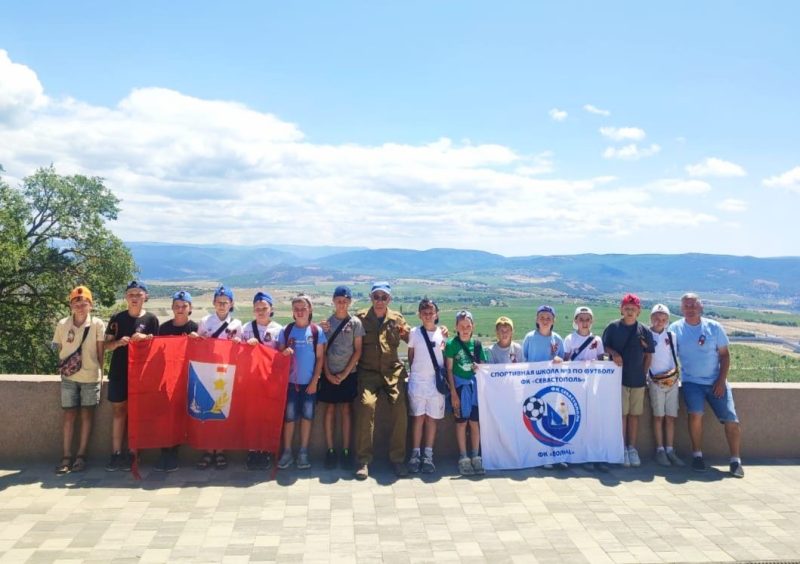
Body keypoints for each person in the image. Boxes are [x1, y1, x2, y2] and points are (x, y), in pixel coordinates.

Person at [669, 293, 744, 478]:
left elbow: (725, 355)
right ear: (681, 308)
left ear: (701, 307)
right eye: (686, 306)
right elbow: (667, 355)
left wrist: (721, 380)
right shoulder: (675, 329)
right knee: (695, 414)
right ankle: (697, 456)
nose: (690, 308)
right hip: (691, 382)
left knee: (732, 420)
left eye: (693, 305)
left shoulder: (714, 327)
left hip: (716, 382)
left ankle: (735, 461)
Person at [353, 282, 411, 480]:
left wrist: (439, 330)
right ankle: (363, 460)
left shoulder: (396, 319)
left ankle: (397, 459)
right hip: (368, 373)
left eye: (383, 297)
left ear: (389, 299)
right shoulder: (361, 318)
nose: (379, 301)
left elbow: (413, 338)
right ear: (371, 298)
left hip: (392, 373)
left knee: (400, 409)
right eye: (376, 297)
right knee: (366, 406)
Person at [104, 280, 160, 472]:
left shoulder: (151, 320)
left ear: (146, 297)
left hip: (141, 374)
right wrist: (118, 343)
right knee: (119, 412)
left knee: (137, 413)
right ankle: (116, 453)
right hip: (119, 371)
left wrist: (146, 338)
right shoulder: (116, 318)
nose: (134, 298)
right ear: (125, 297)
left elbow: (158, 347)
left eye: (138, 294)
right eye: (131, 294)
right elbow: (106, 345)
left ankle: (134, 453)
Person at [52, 286, 106, 474]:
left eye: (84, 303)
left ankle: (81, 456)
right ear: (71, 305)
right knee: (68, 415)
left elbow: (101, 352)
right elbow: (60, 349)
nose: (80, 307)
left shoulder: (97, 324)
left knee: (87, 416)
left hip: (90, 377)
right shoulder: (62, 324)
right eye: (76, 303)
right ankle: (66, 456)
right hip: (69, 377)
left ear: (91, 305)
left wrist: (101, 374)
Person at [192, 285, 242, 470]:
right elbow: (198, 344)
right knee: (206, 412)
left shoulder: (237, 324)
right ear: (214, 303)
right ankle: (207, 450)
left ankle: (220, 450)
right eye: (219, 302)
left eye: (225, 302)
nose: (222, 305)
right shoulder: (205, 321)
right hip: (207, 371)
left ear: (231, 304)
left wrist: (239, 343)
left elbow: (241, 349)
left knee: (221, 411)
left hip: (226, 372)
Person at [602, 293, 655, 468]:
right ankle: (622, 448)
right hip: (618, 380)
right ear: (621, 310)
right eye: (627, 308)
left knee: (634, 416)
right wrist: (614, 353)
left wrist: (643, 374)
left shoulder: (644, 331)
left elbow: (648, 355)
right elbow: (605, 346)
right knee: (622, 415)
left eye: (633, 309)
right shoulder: (613, 327)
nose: (630, 311)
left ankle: (632, 448)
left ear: (639, 311)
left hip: (638, 381)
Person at [277, 295, 327, 470]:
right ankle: (287, 452)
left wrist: (315, 381)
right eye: (296, 309)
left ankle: (303, 452)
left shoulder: (316, 331)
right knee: (289, 418)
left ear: (310, 309)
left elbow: (320, 358)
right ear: (292, 311)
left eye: (303, 308)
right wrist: (284, 353)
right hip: (290, 384)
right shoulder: (286, 330)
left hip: (309, 385)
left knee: (307, 417)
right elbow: (279, 356)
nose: (299, 312)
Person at [153, 290, 198, 472]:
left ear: (190, 308)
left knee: (180, 417)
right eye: (177, 306)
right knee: (165, 417)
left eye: (184, 306)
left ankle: (174, 452)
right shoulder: (163, 328)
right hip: (167, 378)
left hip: (187, 379)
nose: (180, 309)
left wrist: (198, 340)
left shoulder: (195, 328)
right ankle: (165, 451)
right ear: (172, 308)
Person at [319, 286, 363, 470]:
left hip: (349, 374)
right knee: (329, 410)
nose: (342, 304)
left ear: (350, 302)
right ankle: (330, 450)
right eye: (339, 300)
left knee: (346, 410)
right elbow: (322, 352)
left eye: (345, 301)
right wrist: (328, 373)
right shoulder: (326, 324)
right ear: (333, 301)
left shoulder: (355, 323)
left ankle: (345, 450)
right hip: (329, 372)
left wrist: (345, 373)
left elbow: (358, 350)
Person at [242, 291, 283, 471]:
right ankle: (252, 450)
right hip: (251, 381)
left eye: (264, 308)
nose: (260, 311)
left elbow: (280, 355)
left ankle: (266, 450)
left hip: (270, 382)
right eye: (257, 308)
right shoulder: (246, 329)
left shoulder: (279, 330)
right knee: (252, 417)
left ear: (271, 309)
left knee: (268, 417)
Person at [563, 306, 608, 472]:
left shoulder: (597, 340)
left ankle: (595, 455)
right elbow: (566, 361)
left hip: (593, 387)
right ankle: (581, 455)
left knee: (593, 422)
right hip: (575, 387)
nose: (584, 322)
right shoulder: (570, 339)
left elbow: (601, 361)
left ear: (592, 321)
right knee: (579, 421)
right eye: (581, 319)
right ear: (575, 321)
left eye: (587, 319)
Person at [445, 310, 489, 476]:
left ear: (473, 327)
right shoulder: (452, 344)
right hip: (459, 389)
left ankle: (475, 456)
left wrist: (480, 367)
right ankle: (463, 457)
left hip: (474, 389)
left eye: (468, 326)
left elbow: (483, 367)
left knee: (474, 423)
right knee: (461, 423)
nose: (465, 329)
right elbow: (449, 370)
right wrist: (453, 393)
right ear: (456, 327)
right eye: (462, 326)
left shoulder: (477, 345)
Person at [522, 305, 566, 468]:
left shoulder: (557, 339)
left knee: (554, 421)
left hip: (552, 386)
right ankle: (542, 456)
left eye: (548, 318)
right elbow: (523, 360)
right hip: (534, 386)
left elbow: (563, 360)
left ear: (553, 320)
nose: (545, 320)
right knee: (537, 421)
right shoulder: (529, 338)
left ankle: (557, 454)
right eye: (542, 317)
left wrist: (560, 360)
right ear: (536, 319)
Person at [406, 298, 446, 474]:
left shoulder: (442, 333)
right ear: (419, 315)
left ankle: (428, 455)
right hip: (418, 382)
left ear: (436, 314)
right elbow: (411, 355)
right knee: (418, 418)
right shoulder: (414, 333)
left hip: (435, 383)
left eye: (431, 312)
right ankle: (415, 454)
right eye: (425, 312)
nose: (428, 315)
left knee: (431, 419)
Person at [648, 304, 685, 468]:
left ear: (667, 320)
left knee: (671, 417)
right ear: (651, 318)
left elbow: (673, 355)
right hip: (655, 381)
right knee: (658, 417)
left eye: (663, 319)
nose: (659, 321)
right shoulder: (646, 335)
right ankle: (660, 450)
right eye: (656, 318)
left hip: (671, 381)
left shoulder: (671, 336)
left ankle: (670, 450)